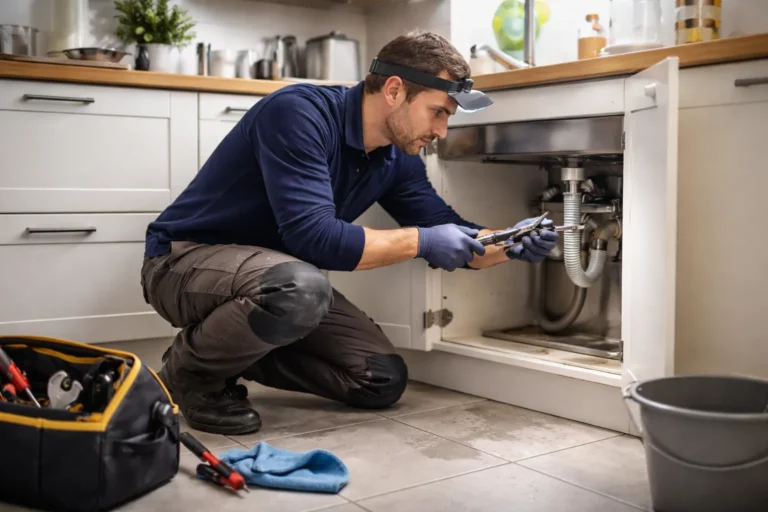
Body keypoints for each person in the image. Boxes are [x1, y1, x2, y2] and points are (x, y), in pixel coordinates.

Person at [141, 31, 559, 435]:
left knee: (380, 379)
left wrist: (509, 243)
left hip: (272, 282)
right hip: (184, 262)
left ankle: (230, 353)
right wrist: (422, 241)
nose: (441, 132)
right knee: (300, 288)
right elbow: (316, 238)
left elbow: (446, 228)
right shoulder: (298, 113)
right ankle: (191, 374)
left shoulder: (398, 156)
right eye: (438, 112)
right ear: (394, 90)